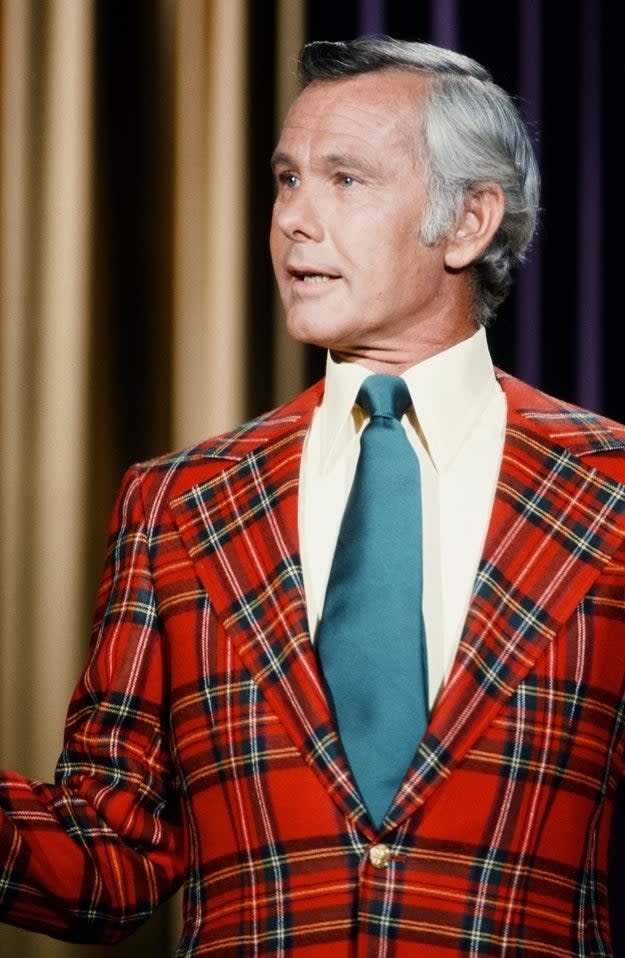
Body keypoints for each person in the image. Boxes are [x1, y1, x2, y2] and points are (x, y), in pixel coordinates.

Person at [2, 35, 625, 957]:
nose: (293, 217)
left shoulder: (608, 488)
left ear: (468, 222)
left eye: (344, 179)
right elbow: (110, 857)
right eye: (287, 178)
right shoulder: (178, 501)